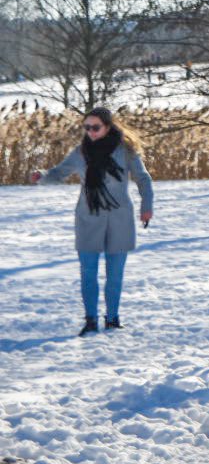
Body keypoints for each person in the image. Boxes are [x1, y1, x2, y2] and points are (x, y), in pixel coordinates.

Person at [28, 107, 155, 335]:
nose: (90, 132)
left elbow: (143, 179)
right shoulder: (80, 152)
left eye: (95, 127)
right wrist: (42, 175)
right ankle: (90, 320)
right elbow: (58, 173)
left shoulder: (126, 151)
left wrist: (147, 207)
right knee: (88, 272)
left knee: (115, 275)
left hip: (120, 219)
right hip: (88, 218)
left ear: (107, 127)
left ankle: (113, 318)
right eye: (86, 128)